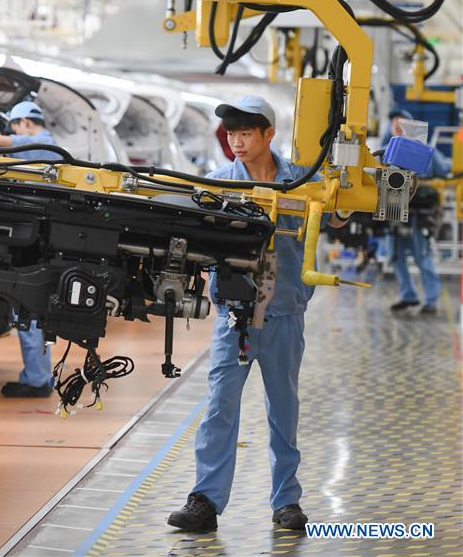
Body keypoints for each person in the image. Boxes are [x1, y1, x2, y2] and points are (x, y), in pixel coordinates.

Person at [167, 95, 347, 533]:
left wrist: (347, 186)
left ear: (269, 134)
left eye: (246, 132)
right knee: (219, 408)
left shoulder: (302, 182)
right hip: (234, 318)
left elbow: (339, 216)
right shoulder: (219, 185)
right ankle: (205, 501)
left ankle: (287, 502)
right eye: (231, 134)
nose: (237, 141)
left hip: (285, 315)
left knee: (283, 411)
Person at [0, 101, 60, 398]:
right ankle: (37, 376)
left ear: (26, 124)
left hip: (33, 238)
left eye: (15, 126)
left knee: (28, 310)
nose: (14, 132)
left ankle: (37, 379)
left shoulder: (43, 144)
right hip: (39, 235)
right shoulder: (46, 145)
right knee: (30, 311)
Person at [385, 112, 450, 315]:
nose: (396, 126)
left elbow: (444, 167)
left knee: (422, 255)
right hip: (395, 209)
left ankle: (431, 299)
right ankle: (408, 296)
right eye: (393, 123)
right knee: (395, 256)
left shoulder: (426, 149)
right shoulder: (386, 150)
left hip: (420, 212)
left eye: (400, 122)